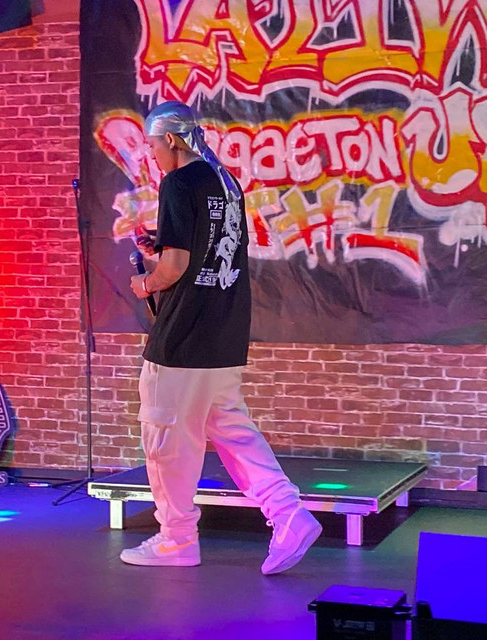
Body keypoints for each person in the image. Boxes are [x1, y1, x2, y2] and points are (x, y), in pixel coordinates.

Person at [123, 101, 322, 574]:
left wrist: (145, 283)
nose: (152, 155)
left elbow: (176, 268)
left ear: (171, 139)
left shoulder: (178, 182)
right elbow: (211, 250)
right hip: (223, 331)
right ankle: (288, 513)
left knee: (166, 440)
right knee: (233, 433)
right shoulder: (226, 181)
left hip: (183, 338)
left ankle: (176, 539)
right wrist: (159, 248)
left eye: (153, 146)